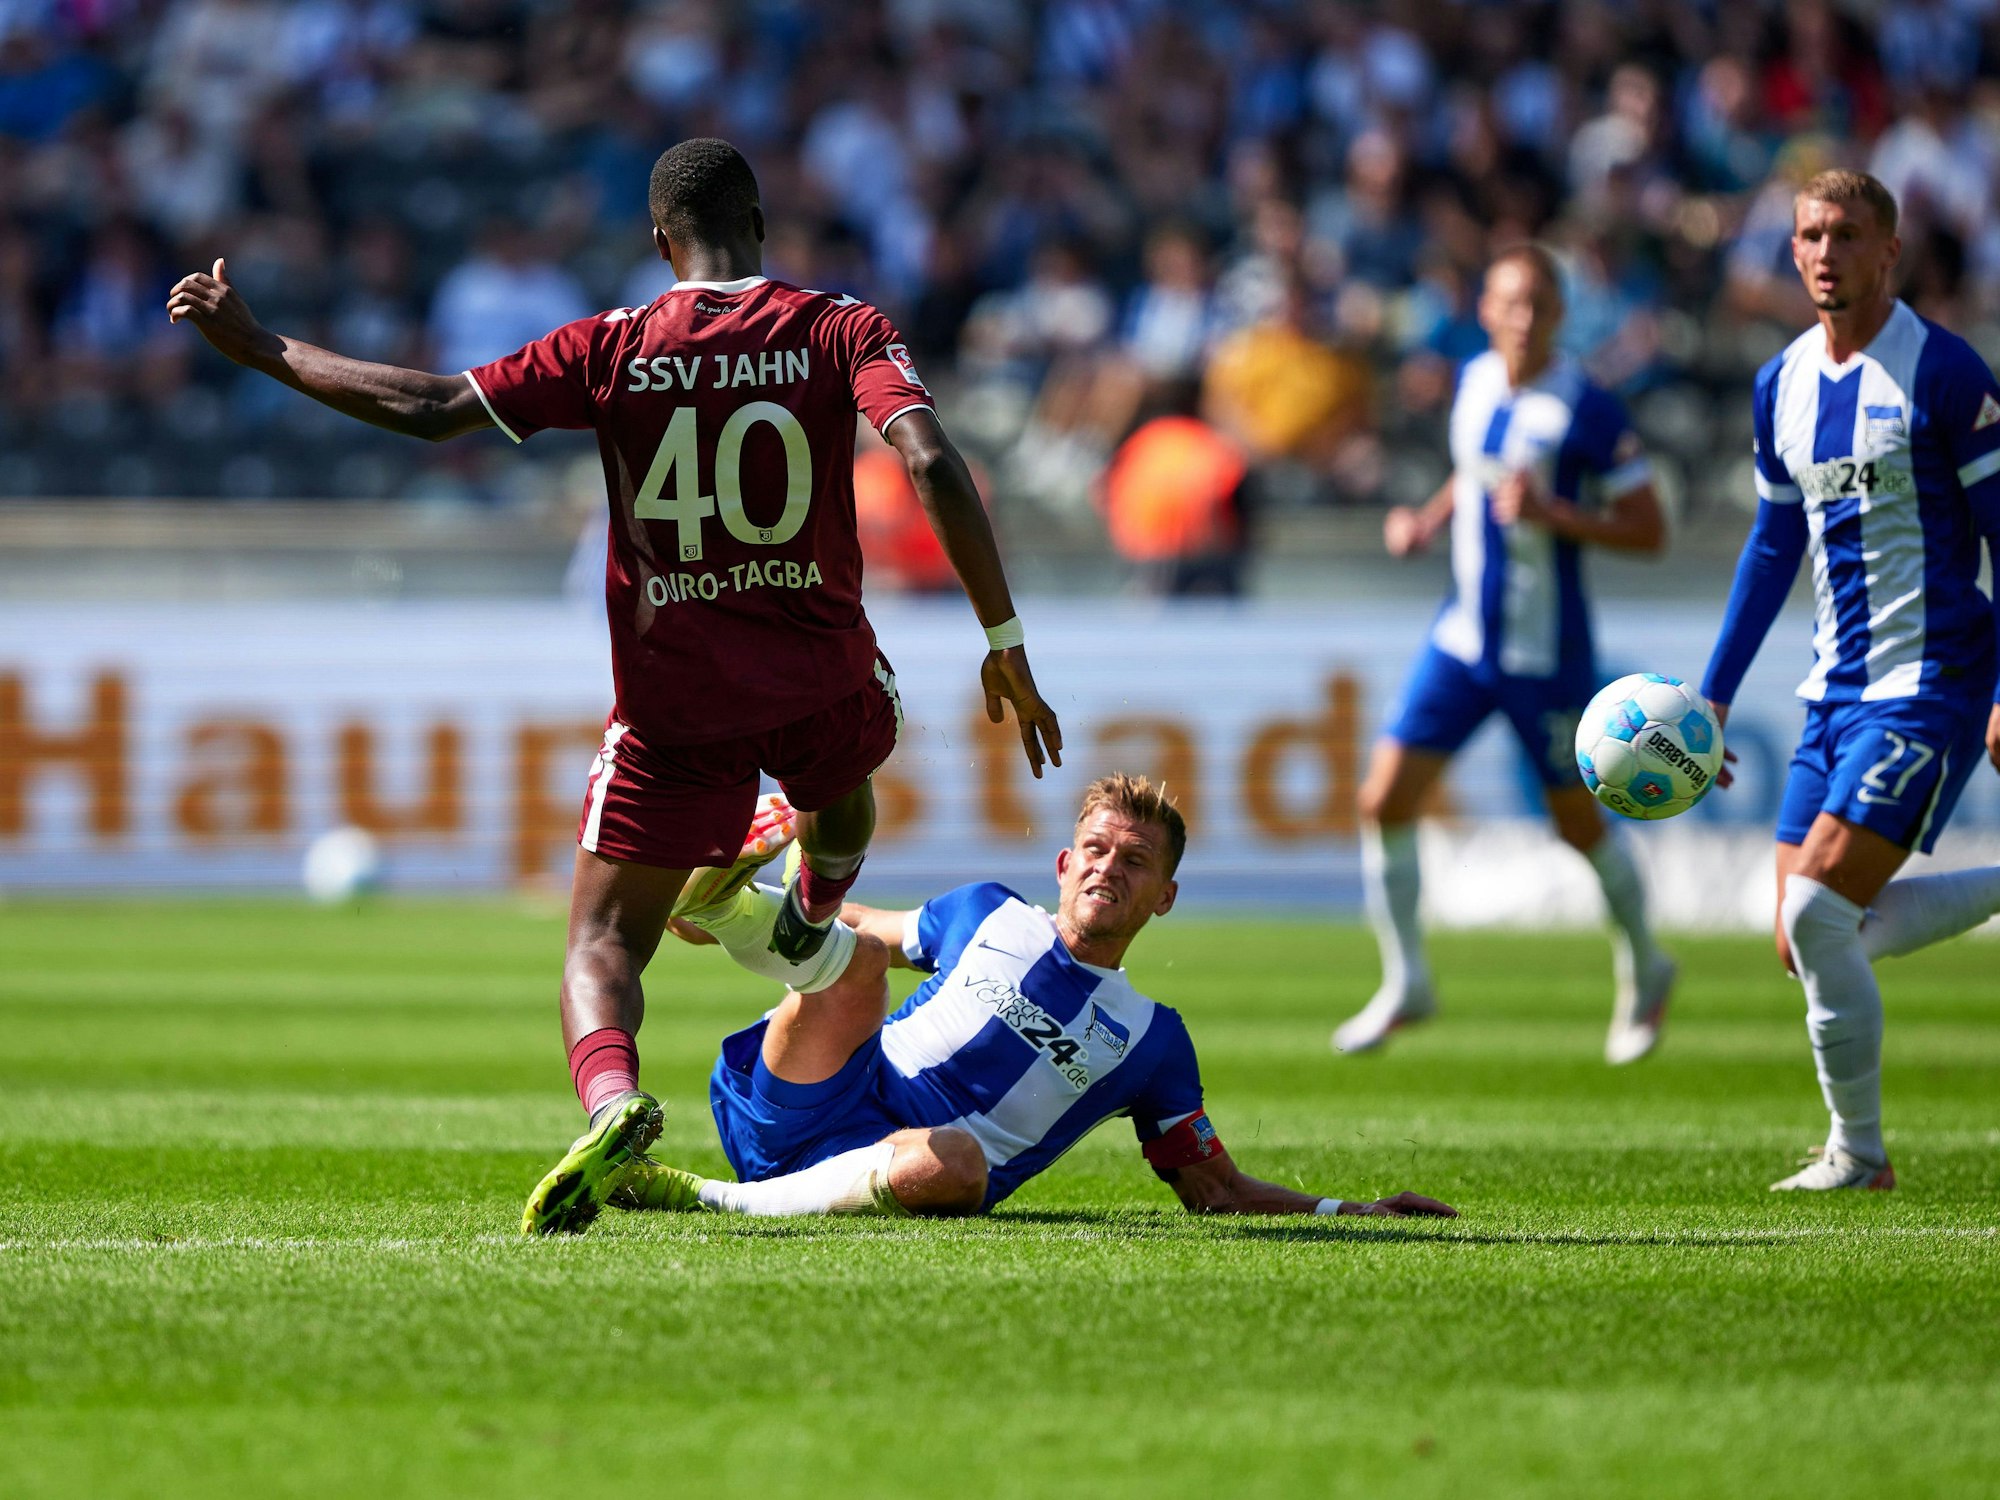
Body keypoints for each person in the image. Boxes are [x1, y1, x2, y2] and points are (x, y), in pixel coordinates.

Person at [164, 136, 1064, 1234]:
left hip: (674, 701)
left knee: (601, 942)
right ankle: (811, 913)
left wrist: (259, 348)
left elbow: (435, 407)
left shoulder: (612, 346)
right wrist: (1001, 635)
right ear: (763, 227)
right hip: (817, 672)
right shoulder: (841, 325)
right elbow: (928, 459)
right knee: (850, 770)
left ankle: (614, 1100)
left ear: (657, 242)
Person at [605, 775, 1458, 1223]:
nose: (1106, 869)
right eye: (1094, 849)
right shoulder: (987, 913)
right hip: (810, 1095)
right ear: (1061, 863)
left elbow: (1217, 1191)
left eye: (1134, 862)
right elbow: (851, 924)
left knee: (958, 1163)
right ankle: (723, 899)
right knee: (859, 956)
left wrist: (1355, 1209)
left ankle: (700, 1198)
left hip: (910, 1165)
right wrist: (726, 923)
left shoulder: (1153, 1041)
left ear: (1164, 896)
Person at [1700, 170, 2000, 1193]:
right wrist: (1713, 693)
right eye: (1807, 236)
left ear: (1888, 250)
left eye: (1845, 235)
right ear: (1791, 252)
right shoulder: (1776, 383)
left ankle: (1857, 1155)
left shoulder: (1944, 375)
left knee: (1821, 910)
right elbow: (1770, 545)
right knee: (1802, 937)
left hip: (1933, 681)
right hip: (1831, 693)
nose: (1824, 253)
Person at [1335, 246, 1675, 1065]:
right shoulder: (1475, 378)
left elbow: (1651, 529)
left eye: (1539, 305)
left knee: (1579, 825)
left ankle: (1647, 963)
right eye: (1508, 302)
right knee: (1384, 798)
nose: (1523, 318)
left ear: (1559, 315)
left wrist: (1558, 515)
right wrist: (1425, 519)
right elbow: (1475, 476)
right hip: (1461, 642)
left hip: (1544, 653)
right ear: (1485, 309)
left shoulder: (1587, 408)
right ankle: (1408, 979)